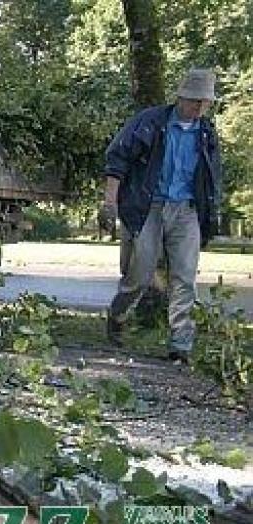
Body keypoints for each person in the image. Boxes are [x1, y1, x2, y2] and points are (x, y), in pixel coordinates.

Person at [101, 68, 222, 364]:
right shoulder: (149, 122)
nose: (200, 108)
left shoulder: (206, 133)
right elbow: (117, 159)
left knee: (184, 277)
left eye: (205, 103)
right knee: (139, 275)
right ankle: (118, 315)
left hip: (186, 209)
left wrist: (211, 212)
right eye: (196, 102)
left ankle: (180, 344)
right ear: (181, 97)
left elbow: (213, 176)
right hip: (148, 206)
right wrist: (110, 203)